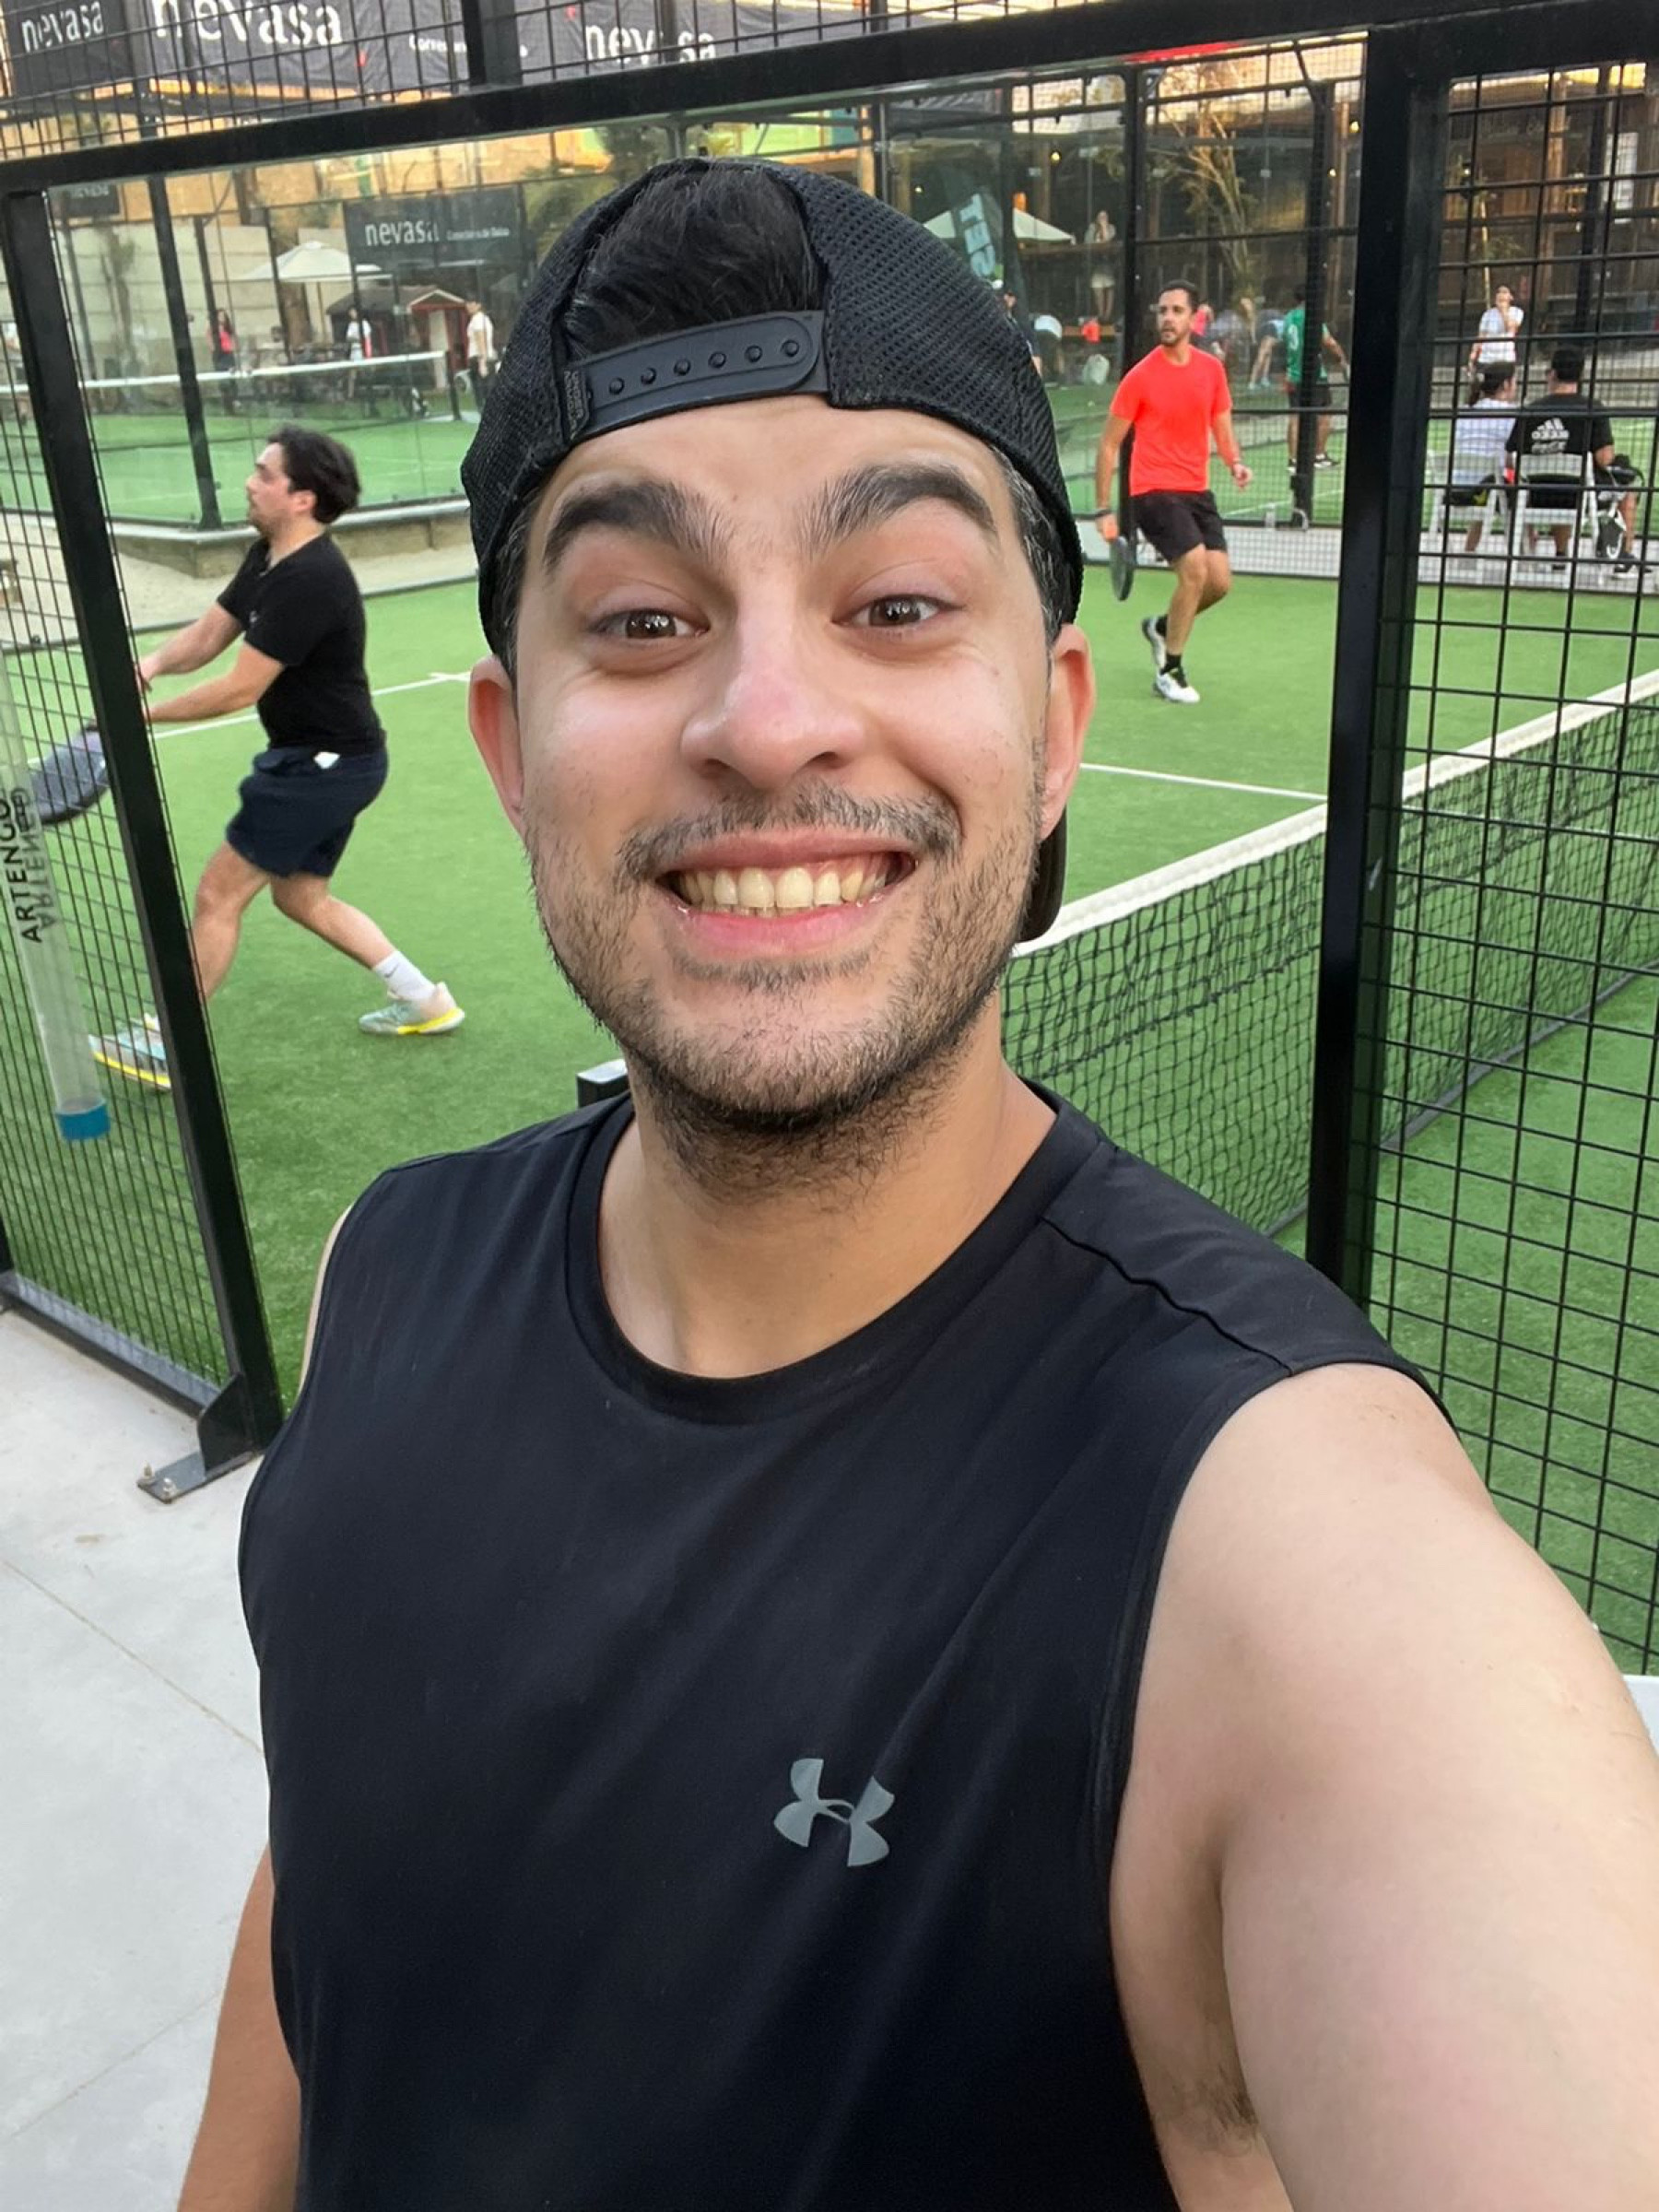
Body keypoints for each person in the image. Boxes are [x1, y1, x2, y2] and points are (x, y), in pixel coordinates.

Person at [174, 160, 1659, 2212]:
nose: (769, 723)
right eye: (642, 619)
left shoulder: (1300, 1576)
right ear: (511, 751)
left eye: (894, 605)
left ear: (1050, 733)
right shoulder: (381, 1274)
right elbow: (324, 1889)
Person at [131, 426, 462, 1058]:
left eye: (264, 474)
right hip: (333, 760)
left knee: (218, 893)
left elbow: (239, 688)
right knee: (301, 896)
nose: (249, 483)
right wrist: (150, 666)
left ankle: (166, 1044)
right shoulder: (268, 556)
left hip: (323, 767)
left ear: (302, 498)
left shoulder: (310, 579)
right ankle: (424, 999)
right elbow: (210, 632)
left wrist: (146, 716)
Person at [1093, 279, 1252, 706]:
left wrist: (1234, 462)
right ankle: (1169, 672)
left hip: (1196, 490)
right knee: (1194, 570)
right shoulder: (1140, 377)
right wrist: (1103, 508)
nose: (1167, 318)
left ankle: (1161, 628)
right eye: (1162, 311)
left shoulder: (1211, 371)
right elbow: (1108, 444)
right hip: (1152, 490)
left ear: (1194, 319)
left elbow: (1221, 425)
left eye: (1177, 311)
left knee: (1218, 583)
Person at [1505, 344, 1636, 568]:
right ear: (1581, 375)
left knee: (1559, 478)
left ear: (1553, 374)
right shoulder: (1592, 409)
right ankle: (1622, 556)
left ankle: (1561, 553)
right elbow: (1605, 459)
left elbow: (1511, 458)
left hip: (1535, 495)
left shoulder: (1530, 411)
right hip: (1579, 496)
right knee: (1628, 487)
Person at [1258, 286, 1347, 470]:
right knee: (1324, 414)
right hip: (1315, 375)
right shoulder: (1312, 317)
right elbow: (1328, 341)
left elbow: (1284, 343)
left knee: (1295, 417)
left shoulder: (1289, 317)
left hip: (1294, 375)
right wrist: (1342, 359)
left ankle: (1293, 460)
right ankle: (1319, 456)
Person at [1445, 362, 1516, 553]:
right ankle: (1526, 549)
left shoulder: (1464, 412)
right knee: (1520, 490)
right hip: (1487, 491)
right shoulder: (1511, 414)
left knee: (1492, 480)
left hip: (1457, 488)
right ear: (1506, 384)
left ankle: (1470, 548)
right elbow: (1511, 459)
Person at [1469, 280, 1524, 377]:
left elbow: (1511, 328)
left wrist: (1503, 310)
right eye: (1499, 292)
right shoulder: (1487, 314)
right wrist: (1473, 355)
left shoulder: (1516, 312)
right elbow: (1481, 337)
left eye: (1504, 292)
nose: (1501, 295)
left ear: (1511, 297)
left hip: (1505, 358)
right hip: (1487, 358)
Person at [465, 296, 497, 399]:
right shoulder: (483, 319)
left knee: (481, 394)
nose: (468, 306)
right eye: (467, 303)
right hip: (485, 358)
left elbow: (481, 339)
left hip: (479, 359)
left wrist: (482, 363)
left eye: (471, 303)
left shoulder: (477, 319)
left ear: (479, 305)